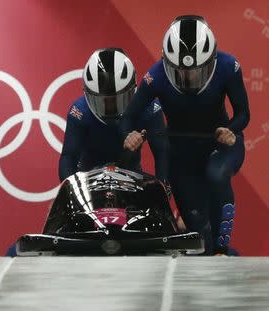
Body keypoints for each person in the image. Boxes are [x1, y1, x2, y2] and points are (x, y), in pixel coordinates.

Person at [122, 15, 250, 255]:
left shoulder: (228, 66)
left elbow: (243, 113)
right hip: (182, 153)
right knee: (199, 233)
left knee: (216, 174)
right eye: (181, 71)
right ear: (166, 62)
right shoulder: (156, 76)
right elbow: (129, 117)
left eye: (198, 71)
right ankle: (213, 249)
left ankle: (222, 250)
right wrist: (129, 135)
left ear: (211, 61)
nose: (190, 77)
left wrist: (231, 130)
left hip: (221, 145)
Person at [59, 48, 169, 186]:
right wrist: (70, 189)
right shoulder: (79, 112)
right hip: (88, 178)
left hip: (131, 176)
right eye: (102, 101)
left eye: (118, 100)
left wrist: (164, 188)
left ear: (133, 92)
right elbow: (68, 157)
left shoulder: (149, 107)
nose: (110, 108)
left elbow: (162, 152)